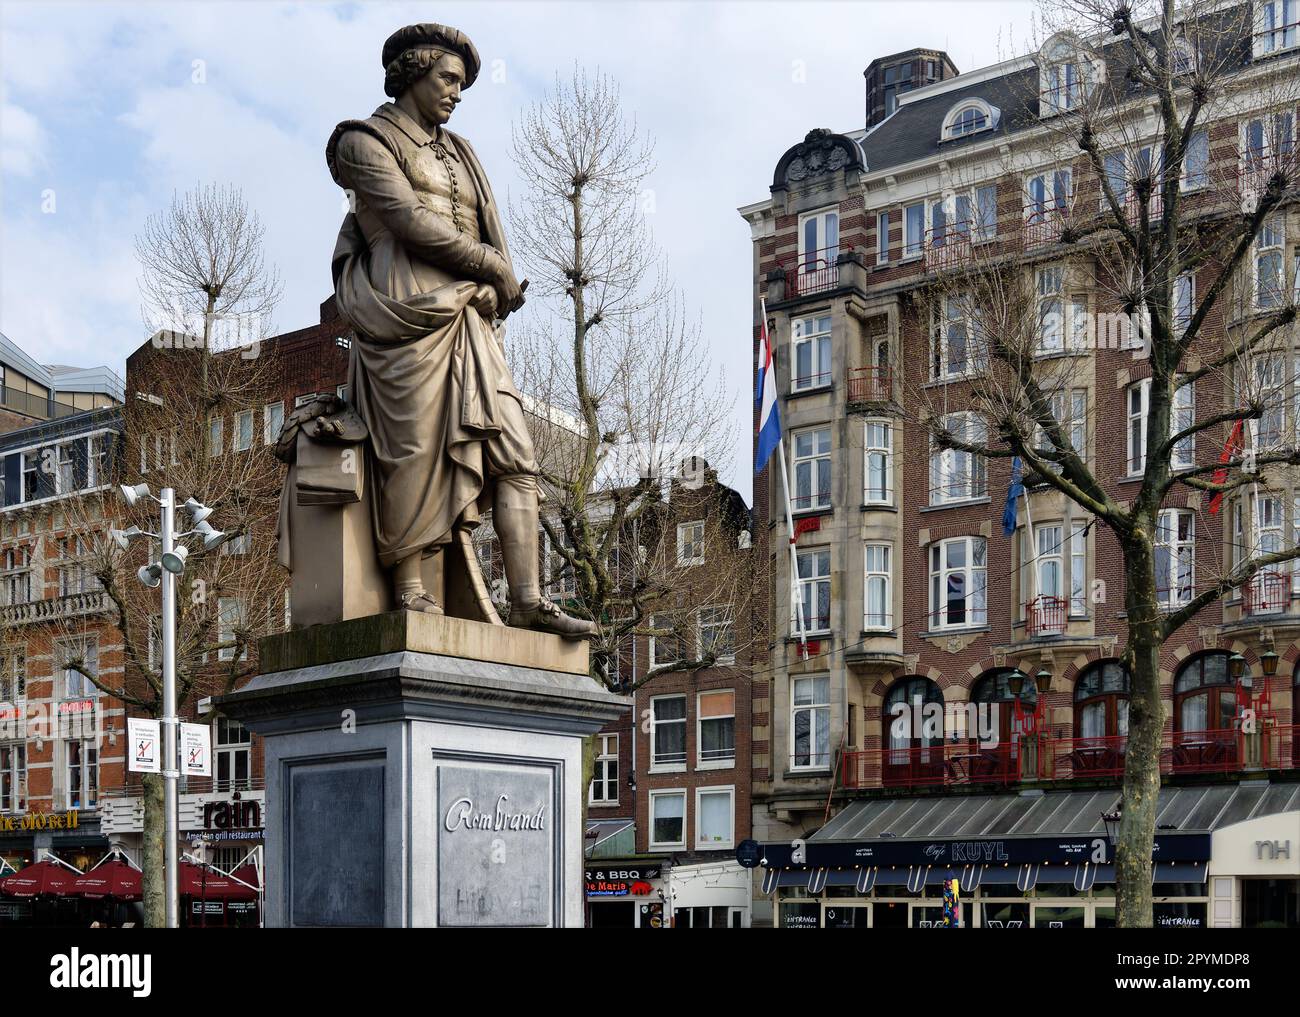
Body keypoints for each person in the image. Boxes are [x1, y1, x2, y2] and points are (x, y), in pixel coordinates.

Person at [326, 22, 595, 637]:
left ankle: (526, 600)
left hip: (470, 320)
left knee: (516, 453)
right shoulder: (363, 143)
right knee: (415, 450)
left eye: (463, 83)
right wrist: (491, 265)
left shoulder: (462, 151)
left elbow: (478, 223)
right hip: (406, 317)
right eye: (447, 78)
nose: (456, 92)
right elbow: (406, 218)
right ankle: (411, 591)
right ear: (411, 73)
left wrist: (491, 280)